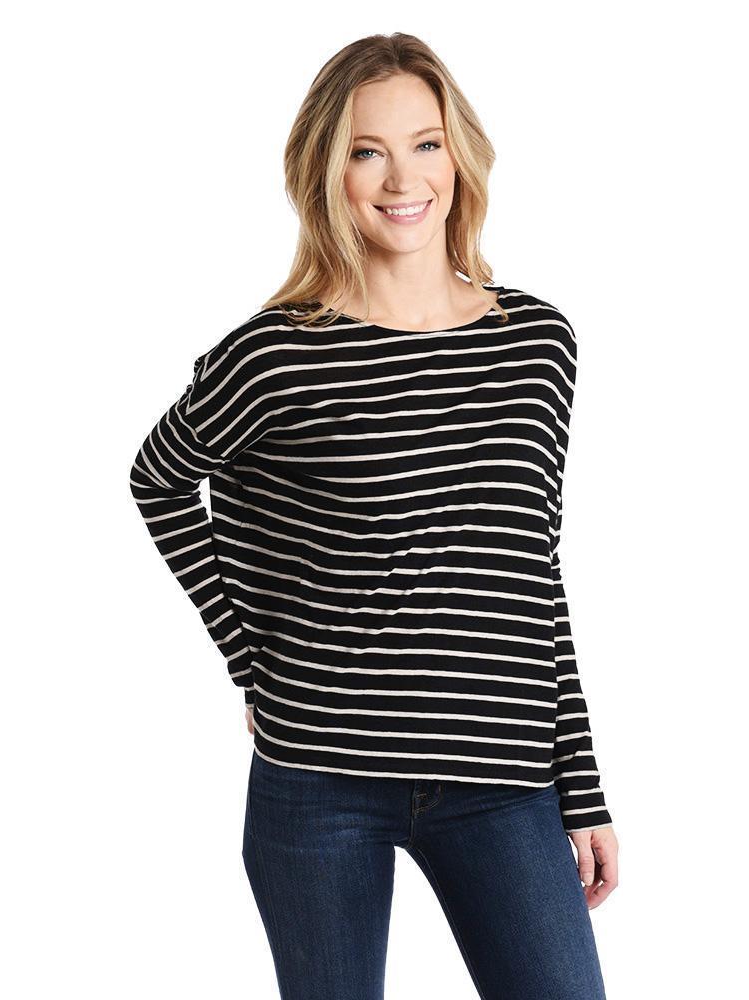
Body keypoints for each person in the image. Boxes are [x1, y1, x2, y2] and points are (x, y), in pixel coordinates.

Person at [129, 31, 618, 1000]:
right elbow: (159, 480)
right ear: (328, 172)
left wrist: (583, 782)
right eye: (367, 150)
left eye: (425, 143)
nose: (403, 178)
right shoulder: (274, 354)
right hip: (321, 777)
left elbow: (532, 571)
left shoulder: (538, 343)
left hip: (501, 777)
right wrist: (251, 662)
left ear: (459, 155)